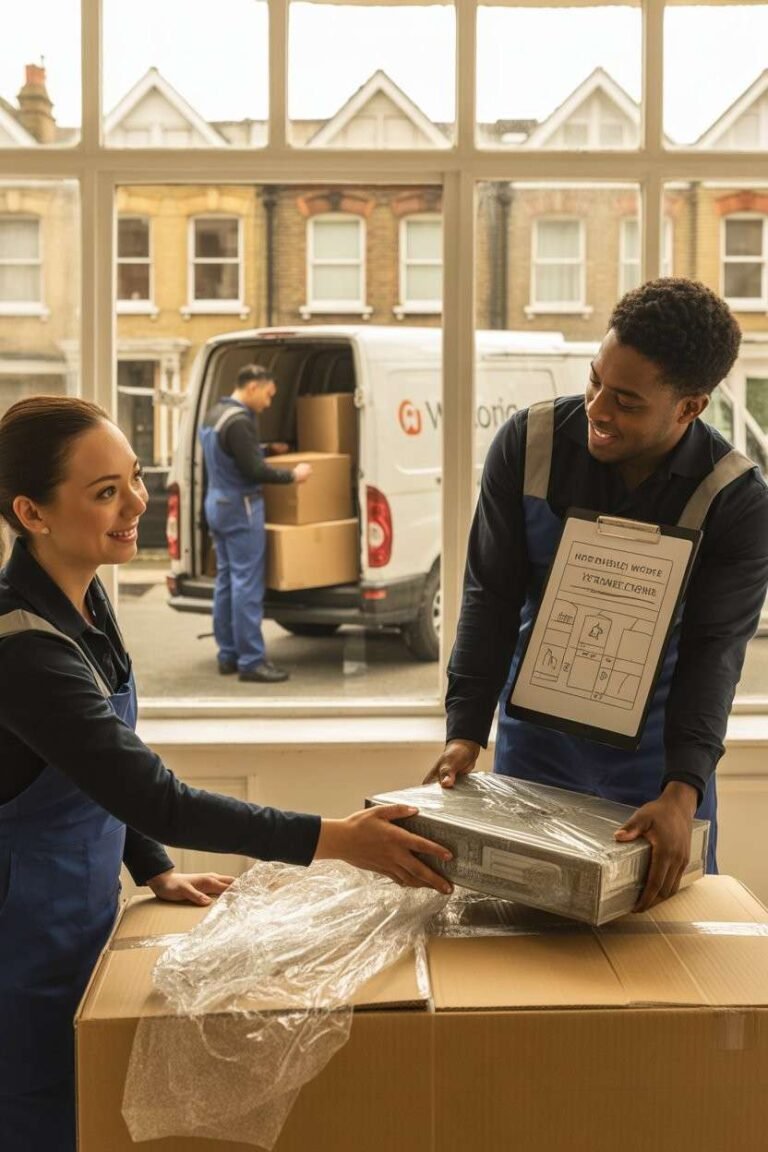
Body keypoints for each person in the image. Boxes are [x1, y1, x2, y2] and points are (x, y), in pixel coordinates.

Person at [0, 395, 453, 1152]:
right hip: (18, 938)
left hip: (76, 915)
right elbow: (155, 795)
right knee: (35, 1111)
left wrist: (149, 866)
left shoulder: (86, 600)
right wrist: (340, 839)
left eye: (135, 478)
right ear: (32, 513)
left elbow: (97, 760)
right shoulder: (26, 649)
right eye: (105, 492)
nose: (137, 504)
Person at [427, 278, 768, 910]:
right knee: (524, 923)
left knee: (663, 945)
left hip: (659, 761)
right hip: (535, 747)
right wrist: (466, 728)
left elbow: (715, 653)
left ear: (690, 407)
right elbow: (490, 598)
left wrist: (683, 789)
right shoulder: (526, 445)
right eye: (594, 380)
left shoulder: (736, 500)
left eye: (627, 401)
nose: (597, 408)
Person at [200, 363, 306, 684]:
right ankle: (252, 661)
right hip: (241, 506)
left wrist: (265, 449)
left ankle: (228, 655)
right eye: (269, 395)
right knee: (247, 585)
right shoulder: (240, 420)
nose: (269, 403)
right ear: (253, 388)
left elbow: (232, 454)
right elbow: (253, 471)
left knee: (227, 582)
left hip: (216, 502)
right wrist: (292, 475)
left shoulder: (214, 414)